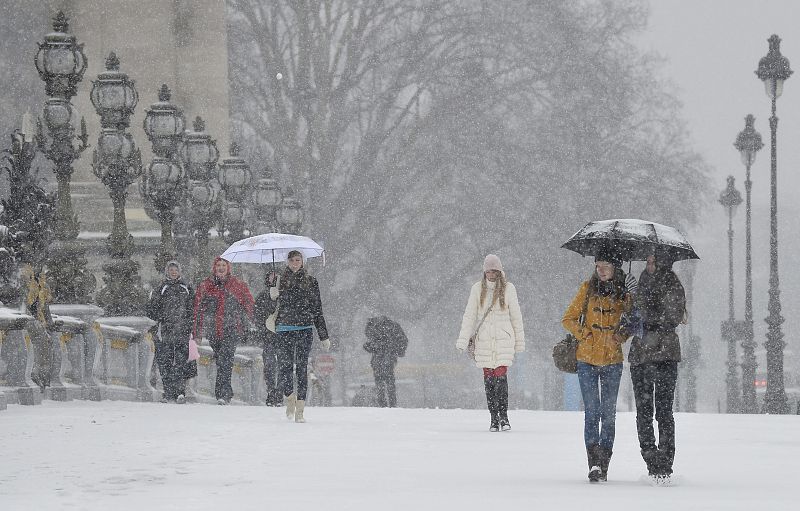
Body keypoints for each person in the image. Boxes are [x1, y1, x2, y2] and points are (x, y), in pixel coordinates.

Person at [562, 245, 632, 482]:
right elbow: (568, 318)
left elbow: (633, 321)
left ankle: (605, 462)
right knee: (592, 413)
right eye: (597, 266)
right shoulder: (587, 289)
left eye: (606, 266)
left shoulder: (624, 293)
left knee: (608, 414)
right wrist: (585, 335)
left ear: (616, 267)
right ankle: (593, 463)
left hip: (613, 360)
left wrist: (621, 335)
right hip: (587, 360)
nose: (601, 270)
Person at [629, 248, 686, 484]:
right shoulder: (641, 281)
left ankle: (665, 459)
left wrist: (641, 299)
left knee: (663, 410)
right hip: (641, 354)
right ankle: (650, 457)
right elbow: (635, 317)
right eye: (648, 260)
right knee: (643, 411)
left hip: (664, 355)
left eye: (653, 261)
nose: (649, 264)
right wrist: (629, 297)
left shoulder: (673, 285)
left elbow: (670, 317)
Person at [456, 254, 525, 432]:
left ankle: (504, 416)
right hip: (484, 341)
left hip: (503, 340)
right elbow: (469, 316)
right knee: (489, 380)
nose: (491, 274)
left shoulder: (509, 289)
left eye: (494, 270)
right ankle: (493, 418)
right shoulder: (477, 289)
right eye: (488, 270)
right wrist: (463, 340)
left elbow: (516, 317)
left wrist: (519, 342)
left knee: (501, 377)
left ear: (499, 271)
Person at [268, 250, 330, 423]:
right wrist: (272, 294)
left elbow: (317, 309)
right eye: (292, 260)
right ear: (287, 262)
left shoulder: (311, 281)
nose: (295, 263)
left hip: (304, 329)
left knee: (302, 367)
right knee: (284, 367)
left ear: (303, 261)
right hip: (283, 328)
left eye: (298, 260)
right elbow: (268, 307)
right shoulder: (278, 280)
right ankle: (289, 398)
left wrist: (323, 335)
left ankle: (300, 410)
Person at [193, 256, 254, 405]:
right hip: (213, 330)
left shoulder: (238, 285)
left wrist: (254, 322)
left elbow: (250, 305)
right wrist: (197, 332)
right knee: (221, 360)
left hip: (232, 328)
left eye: (223, 265)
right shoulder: (206, 285)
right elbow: (198, 310)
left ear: (228, 268)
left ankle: (223, 393)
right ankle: (224, 391)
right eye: (218, 265)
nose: (221, 268)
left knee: (226, 359)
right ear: (214, 268)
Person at [146, 260, 194, 404]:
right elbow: (152, 309)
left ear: (180, 272)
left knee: (180, 361)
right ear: (167, 272)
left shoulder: (186, 288)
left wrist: (189, 325)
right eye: (171, 269)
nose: (174, 272)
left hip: (182, 331)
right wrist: (161, 319)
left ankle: (180, 392)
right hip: (165, 331)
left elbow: (192, 309)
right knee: (165, 362)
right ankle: (168, 392)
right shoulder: (161, 288)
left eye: (176, 270)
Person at [363, 316, 408, 408]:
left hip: (380, 357)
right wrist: (397, 350)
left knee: (380, 380)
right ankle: (391, 403)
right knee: (389, 380)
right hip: (388, 357)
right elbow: (403, 341)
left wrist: (371, 346)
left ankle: (383, 403)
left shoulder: (375, 328)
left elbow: (372, 344)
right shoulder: (392, 327)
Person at [254, 269, 282, 406]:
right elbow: (257, 315)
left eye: (277, 275)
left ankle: (280, 392)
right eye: (272, 275)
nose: (274, 278)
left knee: (283, 364)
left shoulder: (285, 294)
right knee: (270, 364)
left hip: (283, 335)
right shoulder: (262, 295)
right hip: (268, 336)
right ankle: (271, 391)